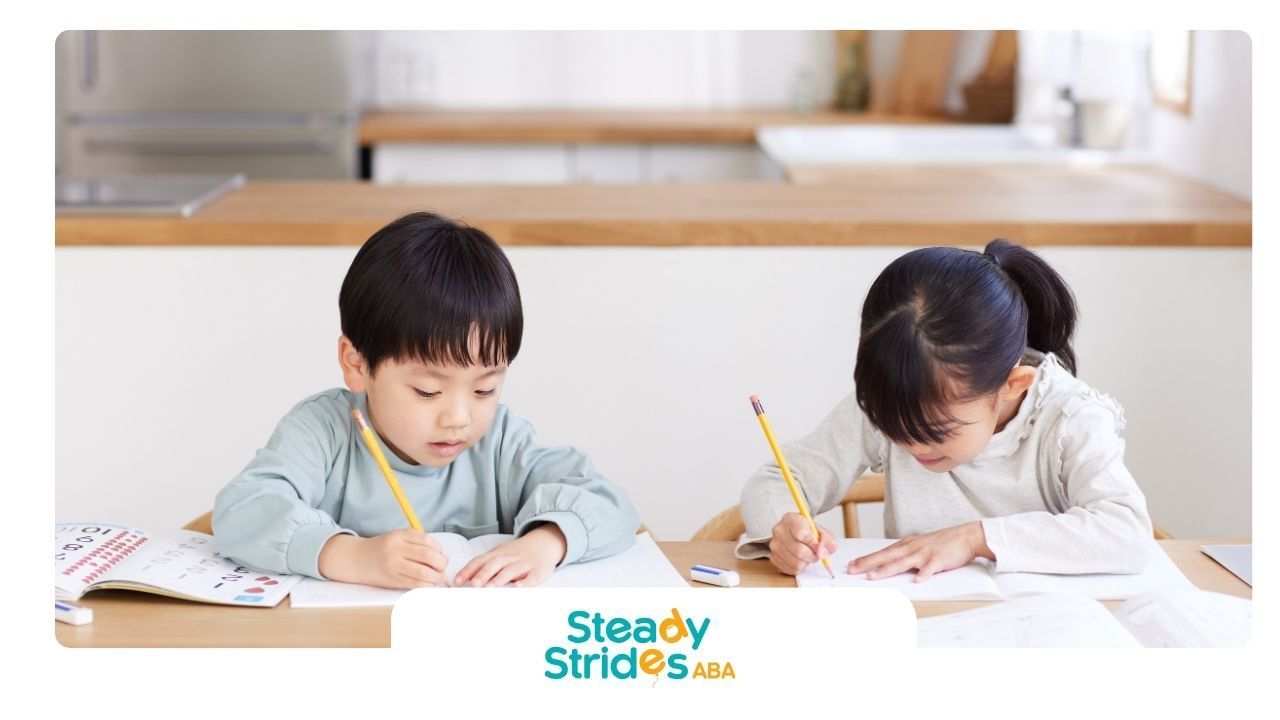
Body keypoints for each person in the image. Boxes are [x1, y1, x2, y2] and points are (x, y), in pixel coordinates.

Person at [214, 212, 639, 589]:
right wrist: (352, 556)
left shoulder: (502, 442)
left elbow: (611, 504)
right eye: (428, 391)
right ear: (356, 363)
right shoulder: (323, 431)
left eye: (484, 390)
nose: (458, 418)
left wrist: (546, 543)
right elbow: (242, 511)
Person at [738, 238, 1152, 581]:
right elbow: (777, 479)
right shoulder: (893, 407)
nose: (911, 445)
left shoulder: (1069, 418)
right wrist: (783, 527)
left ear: (1012, 385)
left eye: (935, 430)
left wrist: (974, 539)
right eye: (893, 426)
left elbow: (1127, 534)